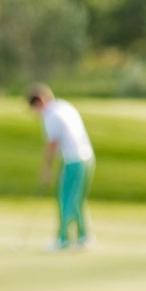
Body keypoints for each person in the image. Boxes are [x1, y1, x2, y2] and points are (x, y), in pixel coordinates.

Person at [27, 83, 95, 251]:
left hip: (74, 161)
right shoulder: (64, 106)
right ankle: (83, 236)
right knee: (76, 200)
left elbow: (52, 144)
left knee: (66, 200)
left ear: (39, 102)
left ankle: (63, 239)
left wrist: (46, 169)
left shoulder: (51, 115)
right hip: (87, 158)